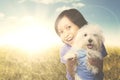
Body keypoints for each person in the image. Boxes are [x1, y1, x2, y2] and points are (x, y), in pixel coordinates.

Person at [54, 8, 107, 80]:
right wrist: (70, 65)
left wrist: (95, 63)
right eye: (61, 32)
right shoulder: (65, 49)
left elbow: (100, 67)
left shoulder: (96, 42)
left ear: (80, 25)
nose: (66, 34)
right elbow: (71, 74)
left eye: (68, 27)